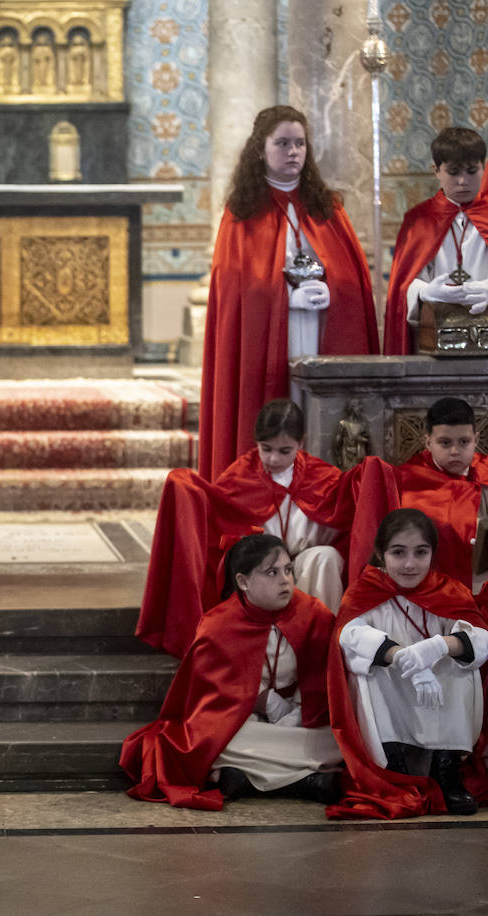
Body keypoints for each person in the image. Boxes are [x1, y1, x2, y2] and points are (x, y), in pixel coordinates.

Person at [137, 398, 398, 658]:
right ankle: (271, 647)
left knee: (326, 557)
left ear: (301, 443)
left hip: (303, 567)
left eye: (285, 451)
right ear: (256, 443)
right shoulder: (241, 476)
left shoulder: (320, 476)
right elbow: (221, 523)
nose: (274, 459)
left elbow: (343, 515)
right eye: (266, 448)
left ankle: (324, 646)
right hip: (262, 570)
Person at [198, 105, 377, 479]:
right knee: (279, 404)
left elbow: (351, 276)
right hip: (269, 337)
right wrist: (285, 299)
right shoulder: (242, 212)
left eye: (300, 143)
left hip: (321, 330)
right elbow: (236, 289)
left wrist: (335, 293)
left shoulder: (328, 207)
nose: (293, 151)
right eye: (282, 143)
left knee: (322, 415)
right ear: (260, 149)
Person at [122, 534, 343, 809]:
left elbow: (325, 684)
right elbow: (211, 704)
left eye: (288, 570)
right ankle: (305, 780)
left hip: (299, 721)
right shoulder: (219, 625)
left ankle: (248, 779)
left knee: (341, 737)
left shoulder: (314, 614)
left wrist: (297, 714)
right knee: (213, 744)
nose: (285, 580)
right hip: (242, 722)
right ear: (243, 582)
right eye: (271, 573)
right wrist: (269, 703)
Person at [329, 508, 488, 819]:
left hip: (440, 692)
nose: (410, 563)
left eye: (420, 552)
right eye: (398, 553)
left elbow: (481, 640)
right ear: (380, 553)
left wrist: (439, 646)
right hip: (393, 690)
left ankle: (446, 770)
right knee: (369, 670)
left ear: (433, 553)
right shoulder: (367, 590)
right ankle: (395, 766)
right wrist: (402, 656)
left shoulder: (448, 590)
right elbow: (349, 635)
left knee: (459, 669)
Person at [384, 127, 488, 355]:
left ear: (484, 167)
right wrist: (426, 292)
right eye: (453, 172)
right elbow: (404, 285)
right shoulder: (419, 220)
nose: (463, 181)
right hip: (436, 340)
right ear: (436, 171)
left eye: (472, 171)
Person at [395, 397, 488, 602]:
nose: (455, 451)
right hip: (430, 591)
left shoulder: (485, 473)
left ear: (477, 439)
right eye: (445, 443)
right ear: (428, 441)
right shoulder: (406, 481)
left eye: (464, 442)